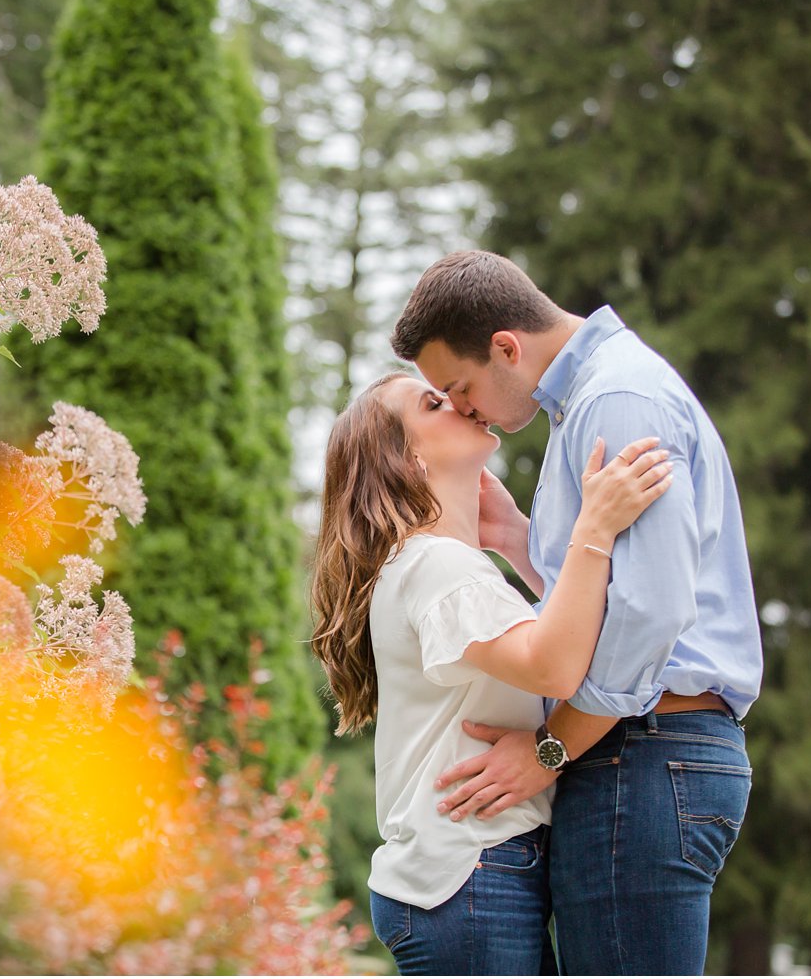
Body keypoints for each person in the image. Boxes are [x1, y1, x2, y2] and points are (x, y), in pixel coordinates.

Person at [390, 250, 763, 975]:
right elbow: (613, 596)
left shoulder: (616, 401)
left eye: (459, 388)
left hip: (646, 749)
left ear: (506, 346)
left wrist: (548, 750)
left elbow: (649, 612)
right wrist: (518, 542)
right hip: (642, 751)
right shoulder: (591, 400)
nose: (463, 409)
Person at [310, 368, 673, 976]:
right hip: (470, 874)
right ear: (408, 459)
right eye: (434, 403)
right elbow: (555, 666)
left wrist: (511, 539)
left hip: (475, 872)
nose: (458, 401)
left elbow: (567, 639)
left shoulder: (444, 565)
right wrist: (595, 528)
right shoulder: (437, 566)